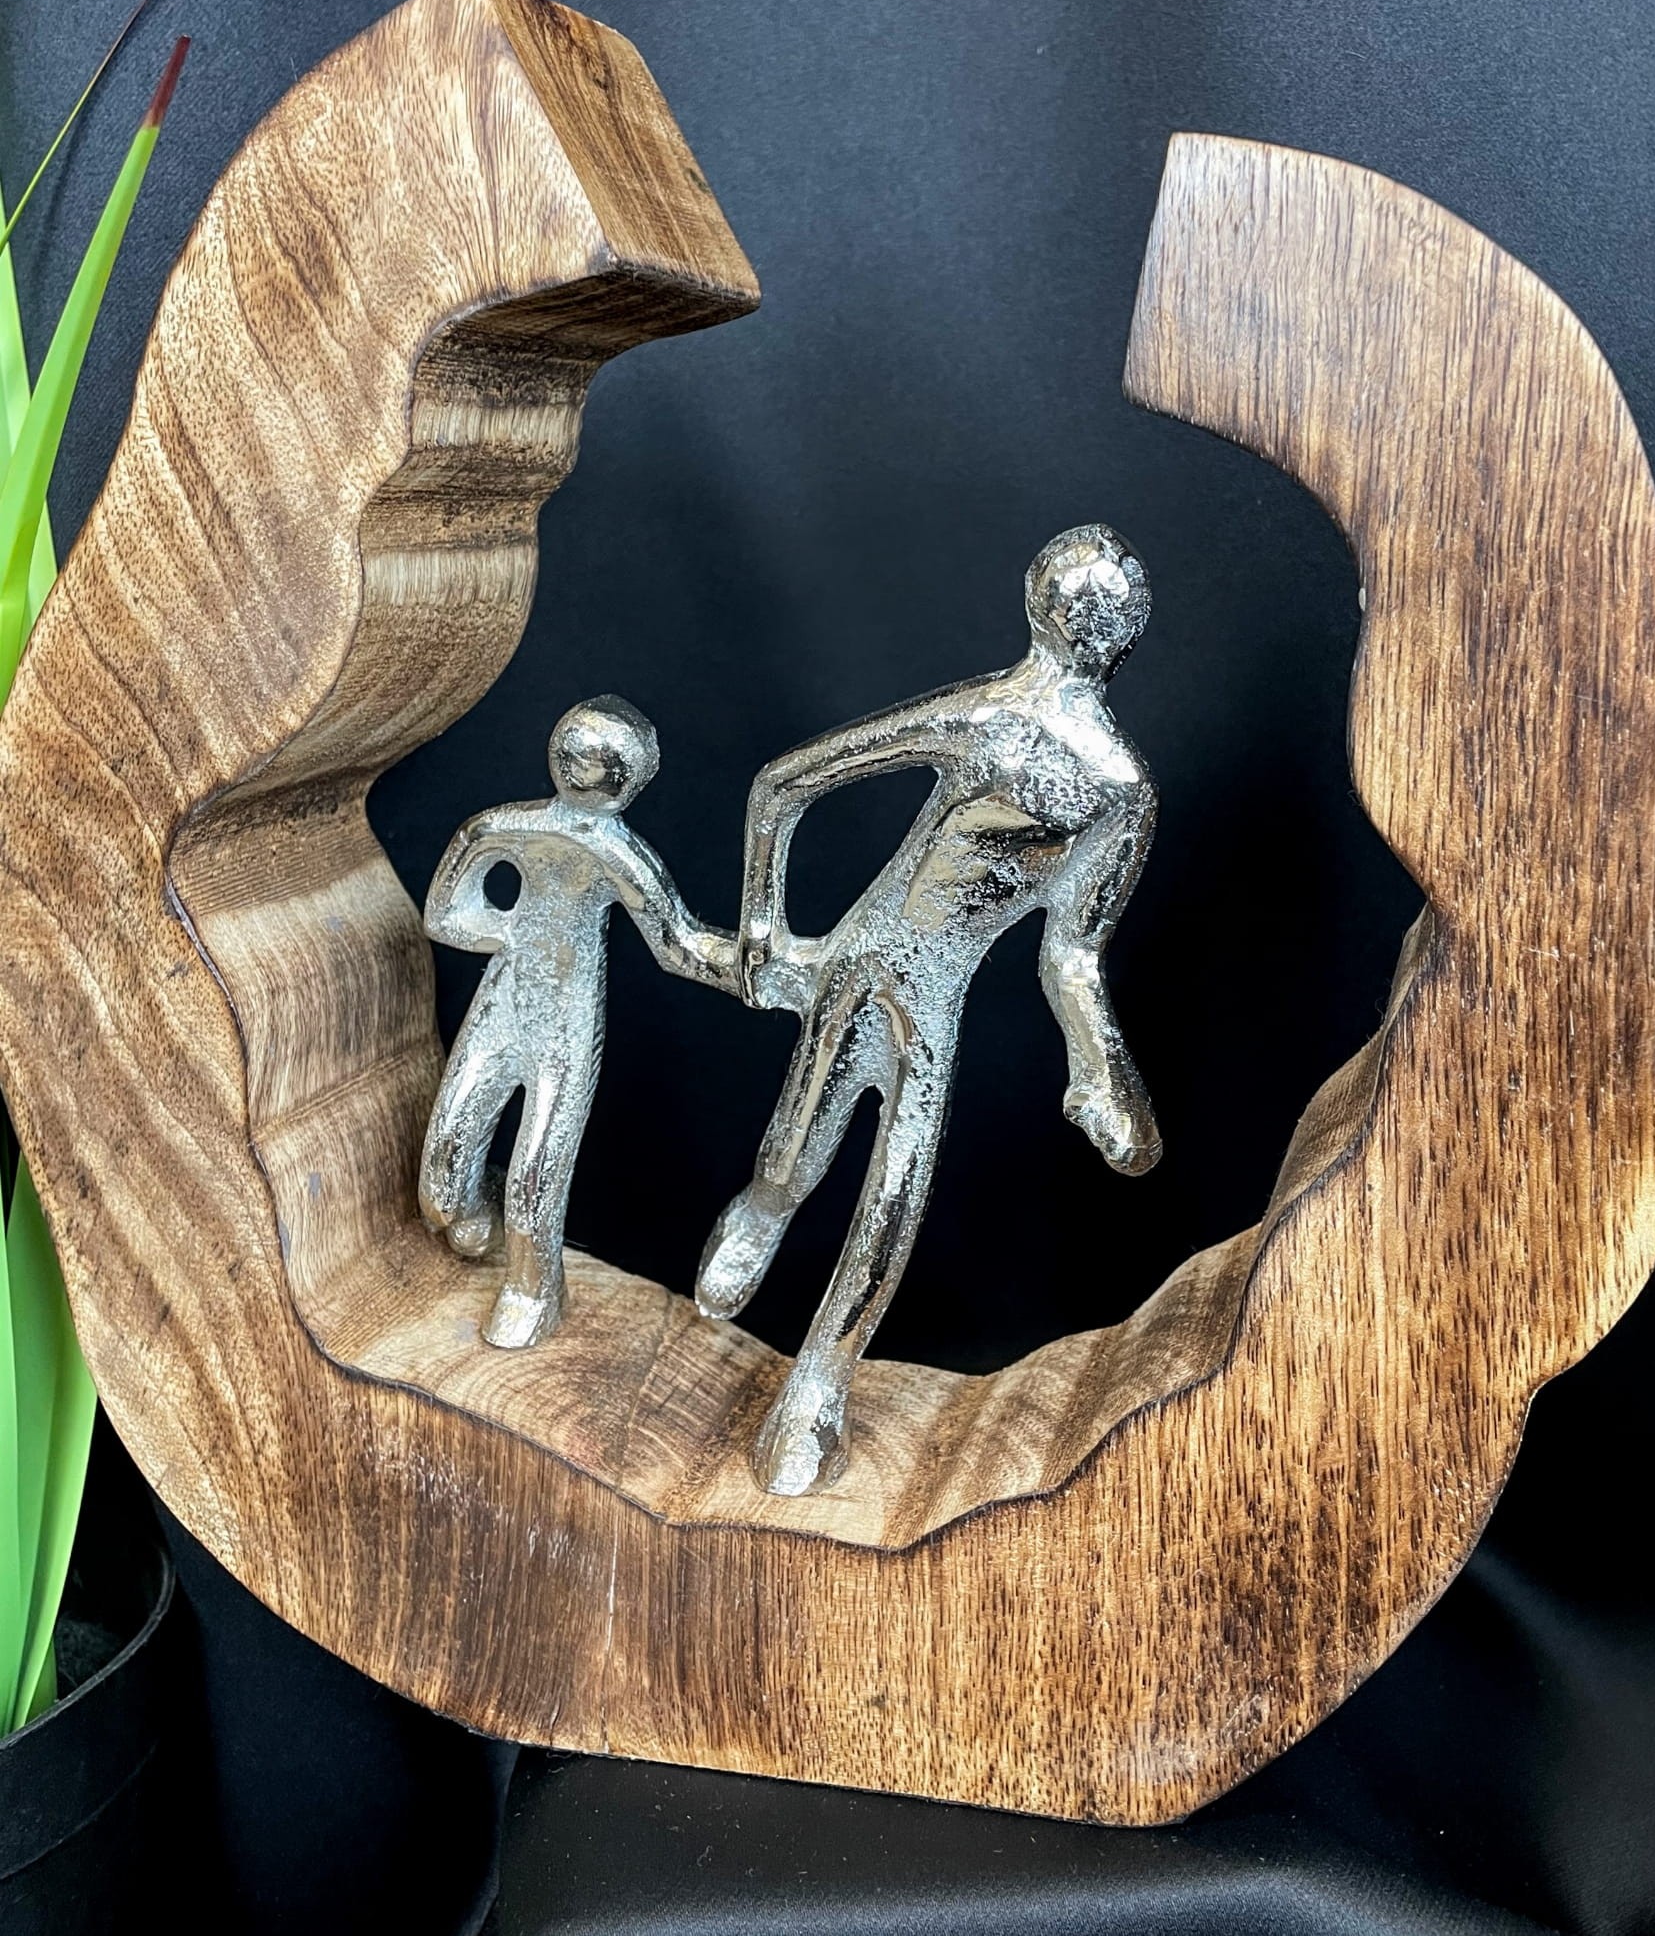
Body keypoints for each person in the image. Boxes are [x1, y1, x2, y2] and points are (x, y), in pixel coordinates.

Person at [700, 524, 1162, 1495]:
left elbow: (1073, 956)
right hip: (865, 965)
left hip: (933, 1000)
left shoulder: (1119, 792)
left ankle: (817, 1387)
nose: (1090, 621)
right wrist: (759, 930)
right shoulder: (990, 719)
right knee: (794, 1156)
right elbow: (784, 784)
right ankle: (761, 1215)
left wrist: (1102, 1072)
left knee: (892, 1200)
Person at [420, 696, 736, 1348]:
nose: (586, 767)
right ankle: (472, 1219)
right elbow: (445, 914)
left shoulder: (618, 856)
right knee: (443, 1177)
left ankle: (532, 1291)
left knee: (536, 1175)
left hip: (564, 1028)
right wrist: (508, 934)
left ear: (628, 779)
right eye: (581, 749)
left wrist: (755, 969)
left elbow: (678, 945)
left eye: (601, 759)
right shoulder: (501, 826)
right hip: (503, 1005)